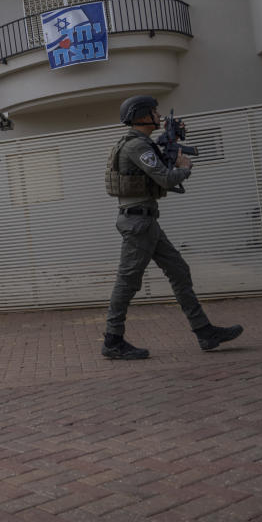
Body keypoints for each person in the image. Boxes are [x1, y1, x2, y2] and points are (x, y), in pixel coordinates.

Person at [102, 95, 243, 360]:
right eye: (154, 111)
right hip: (138, 223)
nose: (159, 115)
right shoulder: (136, 146)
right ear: (142, 115)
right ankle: (112, 340)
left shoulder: (144, 144)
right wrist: (185, 166)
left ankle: (204, 331)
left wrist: (171, 141)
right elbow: (166, 178)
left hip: (146, 221)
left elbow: (159, 165)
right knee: (128, 281)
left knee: (179, 270)